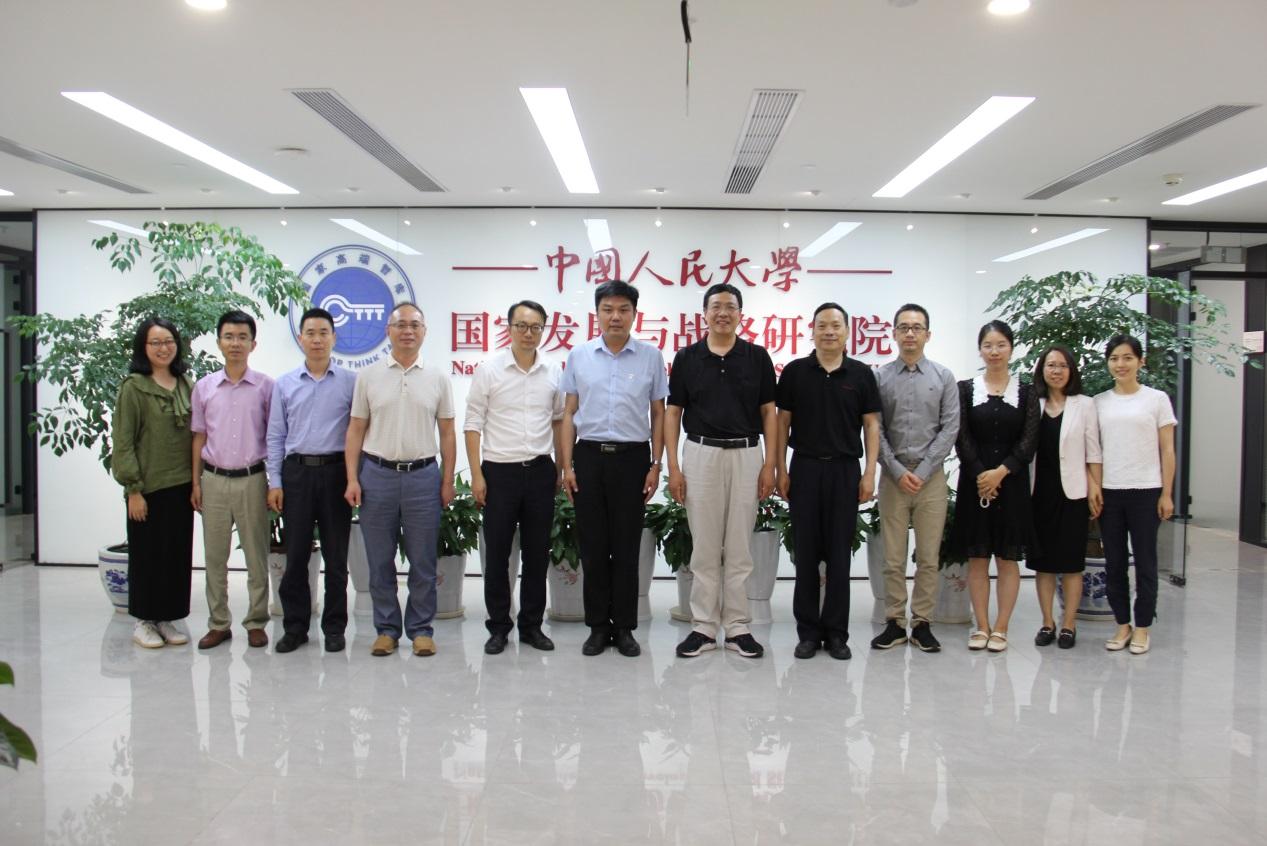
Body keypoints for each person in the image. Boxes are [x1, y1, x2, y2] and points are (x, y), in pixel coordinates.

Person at [666, 283, 777, 659]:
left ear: (740, 314)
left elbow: (769, 412)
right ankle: (703, 626)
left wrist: (770, 465)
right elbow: (673, 413)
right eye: (716, 306)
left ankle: (738, 627)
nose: (723, 313)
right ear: (705, 313)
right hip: (701, 454)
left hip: (747, 454)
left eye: (730, 306)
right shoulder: (688, 357)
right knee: (705, 546)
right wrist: (673, 467)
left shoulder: (756, 357)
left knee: (741, 546)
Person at [559, 279, 668, 658]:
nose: (615, 317)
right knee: (593, 546)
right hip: (589, 457)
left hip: (632, 459)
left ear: (634, 314)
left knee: (626, 547)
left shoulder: (650, 357)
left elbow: (658, 413)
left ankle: (623, 628)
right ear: (597, 314)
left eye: (623, 310)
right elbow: (569, 412)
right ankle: (596, 627)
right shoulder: (579, 356)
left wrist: (656, 464)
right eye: (608, 310)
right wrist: (567, 465)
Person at [344, 303, 457, 658]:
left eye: (414, 325)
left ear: (424, 331)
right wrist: (352, 478)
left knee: (423, 560)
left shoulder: (437, 377)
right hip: (376, 475)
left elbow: (448, 432)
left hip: (423, 476)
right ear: (388, 331)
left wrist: (447, 480)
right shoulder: (368, 376)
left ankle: (421, 630)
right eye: (400, 325)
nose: (408, 331)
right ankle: (387, 630)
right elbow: (356, 429)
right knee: (379, 560)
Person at [776, 302, 881, 660]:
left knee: (839, 556)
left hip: (845, 470)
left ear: (847, 331)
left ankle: (836, 634)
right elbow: (782, 422)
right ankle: (807, 633)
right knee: (805, 554)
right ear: (813, 330)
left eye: (836, 325)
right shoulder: (795, 372)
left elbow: (871, 424)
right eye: (822, 325)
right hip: (804, 468)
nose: (829, 331)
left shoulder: (861, 374)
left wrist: (869, 472)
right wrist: (780, 469)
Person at [463, 299, 564, 655]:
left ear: (543, 330)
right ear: (509, 328)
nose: (528, 333)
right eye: (521, 326)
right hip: (499, 473)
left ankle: (532, 626)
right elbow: (472, 424)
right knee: (498, 557)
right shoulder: (489, 370)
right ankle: (498, 627)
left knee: (537, 555)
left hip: (540, 471)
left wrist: (560, 467)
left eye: (536, 327)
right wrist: (477, 475)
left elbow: (558, 420)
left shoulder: (553, 370)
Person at [266, 307, 356, 654]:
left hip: (336, 473)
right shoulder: (285, 384)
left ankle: (334, 628)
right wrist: (275, 481)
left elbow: (358, 434)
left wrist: (354, 478)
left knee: (336, 557)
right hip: (297, 474)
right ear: (300, 338)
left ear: (334, 337)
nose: (317, 339)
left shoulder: (351, 382)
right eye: (311, 333)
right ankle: (295, 627)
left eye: (323, 333)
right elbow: (276, 435)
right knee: (296, 556)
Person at [872, 303, 959, 654]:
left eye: (917, 327)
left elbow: (950, 427)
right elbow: (874, 428)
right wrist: (896, 469)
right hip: (893, 478)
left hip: (931, 479)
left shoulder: (943, 377)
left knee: (928, 557)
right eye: (904, 327)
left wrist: (921, 472)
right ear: (894, 333)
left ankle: (922, 623)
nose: (910, 333)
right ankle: (895, 622)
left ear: (927, 334)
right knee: (892, 557)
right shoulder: (880, 378)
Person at [951, 320, 1039, 653]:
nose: (994, 351)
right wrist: (981, 476)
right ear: (980, 350)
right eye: (988, 345)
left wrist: (1000, 473)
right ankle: (981, 626)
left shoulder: (1027, 392)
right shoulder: (965, 389)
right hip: (975, 485)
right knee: (977, 558)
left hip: (1012, 485)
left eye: (1001, 345)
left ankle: (1001, 627)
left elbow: (1029, 440)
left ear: (1011, 349)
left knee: (1006, 558)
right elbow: (961, 436)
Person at [191, 310, 274, 650]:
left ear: (253, 344)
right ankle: (218, 623)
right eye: (229, 336)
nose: (235, 343)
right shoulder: (204, 387)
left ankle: (256, 622)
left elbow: (275, 437)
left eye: (242, 337)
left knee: (256, 555)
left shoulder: (266, 387)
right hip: (213, 479)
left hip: (252, 479)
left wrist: (274, 482)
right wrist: (195, 482)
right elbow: (198, 436)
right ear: (219, 342)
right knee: (215, 557)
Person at [112, 317, 196, 649]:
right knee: (148, 556)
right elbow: (123, 441)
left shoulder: (185, 383)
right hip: (147, 489)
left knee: (175, 556)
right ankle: (144, 621)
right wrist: (133, 489)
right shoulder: (134, 387)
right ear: (143, 347)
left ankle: (167, 618)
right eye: (155, 342)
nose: (163, 348)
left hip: (182, 486)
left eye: (169, 341)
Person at [1095, 334, 1176, 655]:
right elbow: (1094, 452)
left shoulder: (1156, 399)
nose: (1121, 364)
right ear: (1108, 363)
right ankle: (1122, 625)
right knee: (1114, 563)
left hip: (1146, 491)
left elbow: (1167, 450)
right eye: (1114, 358)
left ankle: (1142, 627)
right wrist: (1094, 488)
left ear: (1141, 361)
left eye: (1127, 357)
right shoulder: (1099, 402)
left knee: (1145, 562)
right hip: (1110, 493)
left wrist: (1167, 493)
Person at [1027, 345, 1102, 650]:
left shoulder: (1085, 405)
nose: (1056, 371)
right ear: (1041, 370)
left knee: (1071, 563)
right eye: (1050, 365)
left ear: (1071, 370)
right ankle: (1048, 622)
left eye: (1062, 365)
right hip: (1039, 493)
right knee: (1043, 564)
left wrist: (1095, 484)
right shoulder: (1032, 403)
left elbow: (1093, 450)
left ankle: (1069, 624)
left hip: (1073, 493)